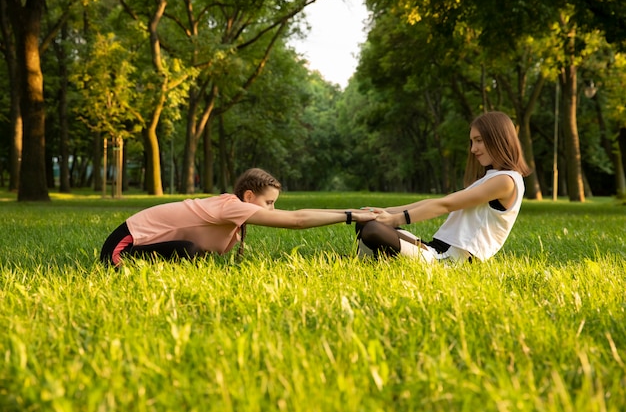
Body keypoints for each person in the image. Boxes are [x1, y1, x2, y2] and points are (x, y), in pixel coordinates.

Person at [100, 168, 377, 267]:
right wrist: (350, 216)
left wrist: (352, 213)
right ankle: (136, 264)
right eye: (268, 203)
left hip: (139, 240)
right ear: (248, 196)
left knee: (192, 253)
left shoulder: (233, 208)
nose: (271, 210)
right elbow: (297, 220)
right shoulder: (231, 207)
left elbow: (293, 215)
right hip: (120, 246)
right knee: (189, 251)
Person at [356, 111, 532, 263]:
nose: (473, 149)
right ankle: (367, 261)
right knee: (367, 222)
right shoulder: (493, 177)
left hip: (451, 261)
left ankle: (371, 260)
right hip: (435, 249)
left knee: (373, 229)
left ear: (498, 138)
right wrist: (387, 212)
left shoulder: (506, 181)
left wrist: (395, 220)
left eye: (478, 141)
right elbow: (439, 201)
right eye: (472, 142)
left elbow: (445, 205)